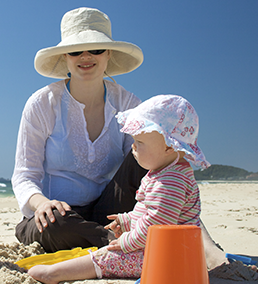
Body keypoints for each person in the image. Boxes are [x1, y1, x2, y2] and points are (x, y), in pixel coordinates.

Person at [12, 7, 227, 269]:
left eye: (96, 49)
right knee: (54, 224)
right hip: (59, 216)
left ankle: (199, 242)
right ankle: (127, 245)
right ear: (65, 58)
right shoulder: (42, 104)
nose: (86, 57)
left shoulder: (127, 103)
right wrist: (43, 203)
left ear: (108, 54)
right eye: (76, 51)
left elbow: (161, 166)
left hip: (113, 210)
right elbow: (24, 176)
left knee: (156, 151)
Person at [28, 94, 209, 282]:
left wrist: (125, 242)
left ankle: (54, 273)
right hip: (169, 250)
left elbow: (157, 224)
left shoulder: (170, 181)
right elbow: (149, 213)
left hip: (169, 256)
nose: (133, 147)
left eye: (140, 142)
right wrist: (127, 220)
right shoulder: (167, 172)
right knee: (109, 251)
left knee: (106, 257)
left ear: (169, 147)